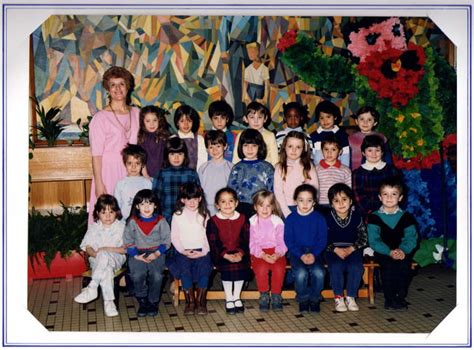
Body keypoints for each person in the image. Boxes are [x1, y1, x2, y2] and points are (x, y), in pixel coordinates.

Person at [88, 66, 140, 223]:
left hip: (132, 169)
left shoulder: (137, 113)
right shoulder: (100, 118)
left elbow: (142, 148)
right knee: (108, 213)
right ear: (108, 89)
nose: (118, 89)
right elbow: (96, 154)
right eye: (113, 85)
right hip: (109, 171)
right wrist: (98, 183)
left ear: (128, 86)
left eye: (121, 84)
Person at [367, 177, 418, 311]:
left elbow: (411, 238)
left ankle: (400, 298)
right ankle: (389, 299)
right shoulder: (374, 217)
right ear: (379, 197)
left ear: (400, 197)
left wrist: (402, 250)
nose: (389, 198)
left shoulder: (407, 217)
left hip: (402, 251)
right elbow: (374, 240)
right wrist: (389, 252)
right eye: (385, 194)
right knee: (389, 268)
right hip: (383, 252)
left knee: (404, 267)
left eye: (393, 194)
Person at [74, 194, 126, 317]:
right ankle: (109, 303)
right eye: (103, 212)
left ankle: (93, 287)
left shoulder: (122, 226)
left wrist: (104, 250)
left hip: (117, 258)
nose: (108, 216)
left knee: (104, 256)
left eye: (111, 212)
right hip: (97, 260)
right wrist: (96, 254)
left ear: (116, 212)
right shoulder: (94, 227)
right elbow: (88, 247)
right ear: (97, 213)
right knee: (106, 269)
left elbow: (125, 249)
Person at [123, 189, 171, 317]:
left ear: (155, 205)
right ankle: (142, 300)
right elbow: (128, 240)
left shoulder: (161, 221)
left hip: (157, 252)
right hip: (137, 253)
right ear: (137, 206)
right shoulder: (132, 221)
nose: (146, 207)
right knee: (138, 274)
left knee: (157, 275)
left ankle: (153, 301)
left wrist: (157, 253)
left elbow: (166, 241)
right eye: (143, 204)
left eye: (150, 203)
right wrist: (135, 255)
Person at [167, 183, 213, 316]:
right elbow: (174, 236)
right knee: (184, 270)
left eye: (195, 198)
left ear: (200, 199)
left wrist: (203, 251)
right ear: (182, 200)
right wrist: (182, 250)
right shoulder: (177, 215)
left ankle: (201, 301)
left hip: (201, 250)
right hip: (183, 251)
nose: (192, 202)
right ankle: (190, 302)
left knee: (205, 269)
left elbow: (207, 236)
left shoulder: (204, 214)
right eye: (188, 198)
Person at [206, 187, 251, 315]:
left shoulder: (243, 218)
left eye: (231, 201)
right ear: (217, 205)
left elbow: (246, 239)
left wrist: (241, 253)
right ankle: (229, 298)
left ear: (236, 203)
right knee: (227, 269)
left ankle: (236, 297)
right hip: (221, 253)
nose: (227, 204)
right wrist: (225, 255)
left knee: (240, 268)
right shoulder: (213, 221)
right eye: (223, 201)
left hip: (240, 252)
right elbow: (213, 242)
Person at [284, 184, 327, 313]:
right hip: (296, 252)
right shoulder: (291, 219)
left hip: (315, 251)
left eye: (309, 200)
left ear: (314, 202)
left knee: (319, 272)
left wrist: (314, 254)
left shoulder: (319, 218)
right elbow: (289, 240)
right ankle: (303, 298)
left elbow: (322, 239)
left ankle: (314, 298)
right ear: (295, 200)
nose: (305, 204)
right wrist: (301, 255)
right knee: (300, 273)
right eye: (301, 200)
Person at [325, 183, 367, 313]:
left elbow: (363, 238)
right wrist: (335, 249)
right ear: (331, 204)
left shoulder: (357, 216)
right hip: (332, 249)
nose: (341, 203)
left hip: (352, 249)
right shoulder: (326, 218)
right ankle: (338, 297)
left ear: (351, 201)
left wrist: (351, 249)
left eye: (344, 199)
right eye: (336, 201)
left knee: (356, 266)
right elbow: (321, 239)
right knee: (336, 266)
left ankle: (351, 296)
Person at [249, 190, 287, 311]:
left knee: (279, 268)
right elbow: (252, 243)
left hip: (276, 251)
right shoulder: (252, 222)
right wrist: (262, 255)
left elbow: (282, 241)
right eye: (261, 205)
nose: (265, 209)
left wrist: (278, 253)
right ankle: (264, 295)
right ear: (255, 207)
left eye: (268, 206)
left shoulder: (277, 221)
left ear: (273, 207)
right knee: (261, 269)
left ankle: (276, 295)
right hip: (258, 252)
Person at [228, 128, 274, 220]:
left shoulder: (267, 167)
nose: (249, 149)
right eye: (246, 145)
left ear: (260, 147)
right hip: (241, 209)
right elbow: (230, 192)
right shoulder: (237, 168)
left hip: (262, 209)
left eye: (254, 145)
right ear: (241, 147)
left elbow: (272, 191)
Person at [152, 137, 200, 224]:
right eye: (172, 154)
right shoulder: (161, 174)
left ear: (185, 155)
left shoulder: (191, 174)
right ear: (167, 155)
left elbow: (198, 197)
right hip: (166, 218)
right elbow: (155, 200)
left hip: (188, 218)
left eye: (180, 154)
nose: (176, 157)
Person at [352, 134, 400, 218]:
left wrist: (388, 209)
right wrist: (373, 213)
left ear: (382, 152)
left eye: (377, 150)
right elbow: (358, 197)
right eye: (370, 150)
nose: (374, 154)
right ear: (363, 152)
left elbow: (398, 191)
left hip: (390, 211)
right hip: (368, 214)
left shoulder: (391, 171)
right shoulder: (357, 173)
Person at [274, 131, 319, 218]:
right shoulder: (280, 167)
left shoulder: (308, 166)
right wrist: (286, 212)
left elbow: (315, 189)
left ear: (304, 149)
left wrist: (311, 208)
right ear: (284, 147)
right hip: (286, 208)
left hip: (305, 207)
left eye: (298, 147)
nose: (294, 150)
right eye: (290, 146)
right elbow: (278, 192)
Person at [198, 130, 234, 216]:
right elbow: (200, 190)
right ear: (207, 149)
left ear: (225, 146)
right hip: (208, 208)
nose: (215, 150)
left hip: (226, 207)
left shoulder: (232, 167)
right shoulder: (203, 168)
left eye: (218, 146)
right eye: (211, 147)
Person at [232, 102, 279, 166]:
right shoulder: (241, 135)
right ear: (245, 119)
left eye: (259, 117)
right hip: (246, 170)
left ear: (265, 118)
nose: (256, 121)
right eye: (252, 117)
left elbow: (275, 160)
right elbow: (236, 158)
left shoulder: (270, 136)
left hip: (264, 171)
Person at [315, 135, 352, 214]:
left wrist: (351, 207)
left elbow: (349, 190)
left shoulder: (346, 170)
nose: (329, 153)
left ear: (340, 151)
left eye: (333, 149)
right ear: (322, 151)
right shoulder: (315, 169)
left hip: (339, 205)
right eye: (326, 149)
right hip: (320, 205)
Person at [113, 144, 152, 218]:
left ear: (142, 165)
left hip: (142, 221)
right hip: (125, 221)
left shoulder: (147, 183)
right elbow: (116, 206)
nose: (133, 167)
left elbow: (151, 203)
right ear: (125, 164)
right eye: (130, 163)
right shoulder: (120, 184)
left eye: (137, 163)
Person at [348, 106, 392, 171]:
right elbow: (346, 159)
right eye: (362, 119)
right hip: (356, 172)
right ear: (357, 121)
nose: (365, 122)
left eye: (369, 119)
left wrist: (389, 171)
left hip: (378, 172)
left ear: (375, 123)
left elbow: (387, 157)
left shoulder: (381, 137)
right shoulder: (350, 139)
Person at [310, 100, 350, 168]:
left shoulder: (342, 135)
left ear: (335, 117)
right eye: (322, 118)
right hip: (319, 173)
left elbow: (345, 157)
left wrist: (344, 172)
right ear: (318, 119)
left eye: (328, 117)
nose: (325, 121)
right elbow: (310, 157)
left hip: (337, 172)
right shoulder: (314, 136)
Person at [137, 105, 171, 179]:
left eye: (154, 120)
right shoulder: (142, 138)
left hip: (164, 175)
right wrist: (145, 175)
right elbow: (141, 158)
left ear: (159, 120)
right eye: (148, 121)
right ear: (143, 122)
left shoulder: (164, 137)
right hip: (147, 176)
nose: (151, 124)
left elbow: (169, 157)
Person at [173, 104, 207, 170]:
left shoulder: (199, 139)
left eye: (189, 121)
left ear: (193, 122)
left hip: (194, 176)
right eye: (182, 121)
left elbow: (203, 162)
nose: (186, 124)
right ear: (177, 122)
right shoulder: (172, 139)